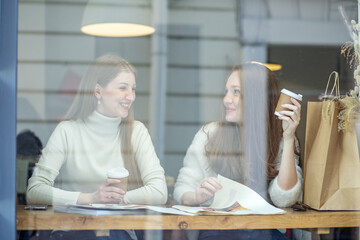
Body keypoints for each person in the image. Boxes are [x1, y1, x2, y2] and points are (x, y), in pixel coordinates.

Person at [27, 54, 167, 240]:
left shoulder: (136, 131)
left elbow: (159, 191)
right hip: (72, 232)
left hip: (119, 233)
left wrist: (112, 201)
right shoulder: (68, 131)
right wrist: (90, 199)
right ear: (98, 91)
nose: (131, 97)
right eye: (122, 88)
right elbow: (35, 190)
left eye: (133, 89)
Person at [173, 62, 302, 240]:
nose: (226, 99)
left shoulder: (282, 139)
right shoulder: (210, 133)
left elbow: (284, 199)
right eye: (226, 91)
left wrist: (288, 138)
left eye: (235, 91)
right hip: (218, 230)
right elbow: (181, 192)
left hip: (264, 232)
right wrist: (196, 196)